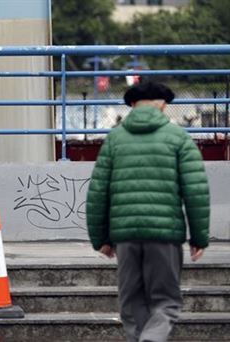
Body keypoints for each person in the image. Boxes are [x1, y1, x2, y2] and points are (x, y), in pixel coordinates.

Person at [86, 82, 210, 342]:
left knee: (131, 302)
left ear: (132, 105)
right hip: (165, 235)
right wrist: (199, 238)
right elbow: (196, 192)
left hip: (125, 236)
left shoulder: (115, 139)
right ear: (163, 105)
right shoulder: (179, 138)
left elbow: (98, 193)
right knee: (165, 301)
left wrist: (101, 239)